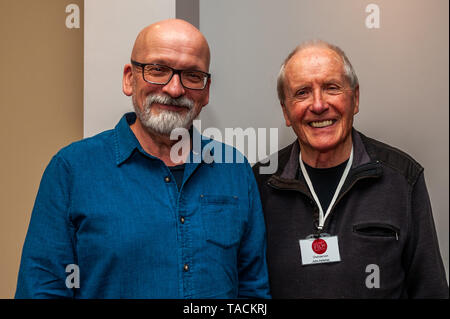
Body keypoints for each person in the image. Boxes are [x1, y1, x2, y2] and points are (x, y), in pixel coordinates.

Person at [15, 19, 270, 299]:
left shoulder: (234, 169)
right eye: (158, 70)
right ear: (129, 78)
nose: (175, 89)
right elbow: (43, 290)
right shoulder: (72, 170)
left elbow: (253, 290)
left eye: (193, 75)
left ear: (206, 91)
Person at [253, 40, 448, 298]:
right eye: (302, 92)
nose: (319, 105)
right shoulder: (258, 183)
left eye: (331, 88)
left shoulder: (402, 178)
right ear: (286, 112)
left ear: (355, 99)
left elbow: (429, 289)